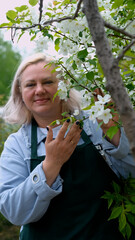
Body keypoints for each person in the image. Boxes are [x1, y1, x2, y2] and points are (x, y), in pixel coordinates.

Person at [0, 52, 135, 240]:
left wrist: (116, 136)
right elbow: (14, 212)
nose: (39, 90)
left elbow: (131, 175)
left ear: (64, 88)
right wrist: (51, 165)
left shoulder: (95, 124)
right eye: (30, 84)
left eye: (48, 82)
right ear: (20, 93)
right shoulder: (17, 145)